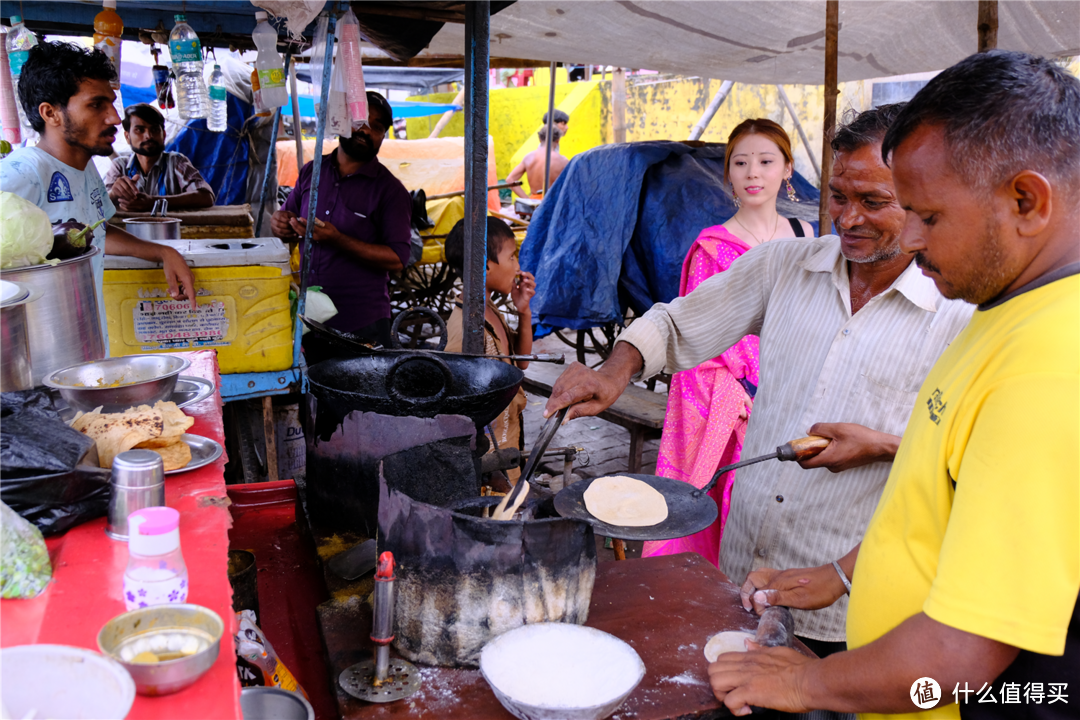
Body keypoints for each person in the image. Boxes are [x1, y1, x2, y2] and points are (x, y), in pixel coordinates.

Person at [710, 50, 1079, 720]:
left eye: (928, 217)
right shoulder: (1007, 306)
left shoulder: (1054, 368)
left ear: (1027, 200)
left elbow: (960, 658)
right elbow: (948, 501)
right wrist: (845, 573)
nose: (907, 237)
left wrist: (808, 684)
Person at [544, 104, 975, 665]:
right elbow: (677, 323)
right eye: (839, 197)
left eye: (874, 202)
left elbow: (973, 461)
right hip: (744, 570)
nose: (848, 219)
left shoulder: (958, 312)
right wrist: (613, 371)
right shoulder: (782, 266)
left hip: (851, 593)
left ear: (920, 200)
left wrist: (883, 446)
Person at [644, 118, 814, 566]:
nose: (753, 172)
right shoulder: (712, 247)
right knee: (735, 505)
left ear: (787, 170)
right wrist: (742, 396)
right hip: (740, 402)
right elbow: (702, 338)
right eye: (741, 163)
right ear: (729, 175)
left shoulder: (807, 239)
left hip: (799, 393)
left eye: (765, 161)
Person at [0, 42, 196, 342]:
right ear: (51, 113)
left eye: (112, 104)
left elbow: (98, 231)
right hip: (33, 365)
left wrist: (162, 251)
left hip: (84, 343)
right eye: (96, 105)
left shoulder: (86, 167)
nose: (115, 119)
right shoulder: (22, 173)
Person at [271, 91, 411, 357]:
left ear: (383, 136)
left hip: (362, 323)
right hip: (309, 318)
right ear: (342, 120)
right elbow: (286, 221)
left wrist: (337, 239)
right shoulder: (312, 171)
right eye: (359, 120)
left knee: (359, 396)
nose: (365, 130)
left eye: (377, 127)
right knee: (311, 394)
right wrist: (279, 224)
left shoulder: (390, 191)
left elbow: (397, 258)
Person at [443, 217, 536, 485]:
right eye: (511, 258)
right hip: (487, 457)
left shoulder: (489, 309)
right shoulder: (465, 329)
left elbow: (522, 362)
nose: (517, 266)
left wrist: (524, 312)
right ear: (484, 266)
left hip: (508, 437)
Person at [103, 103, 214, 212]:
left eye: (155, 130)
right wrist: (114, 193)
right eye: (140, 130)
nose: (149, 136)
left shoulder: (176, 161)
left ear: (164, 135)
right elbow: (100, 204)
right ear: (127, 137)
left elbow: (206, 196)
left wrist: (154, 202)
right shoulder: (119, 166)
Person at [508, 125, 569, 198]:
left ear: (539, 139)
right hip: (553, 202)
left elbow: (510, 180)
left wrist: (527, 200)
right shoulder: (563, 160)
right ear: (558, 140)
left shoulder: (529, 157)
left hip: (534, 203)